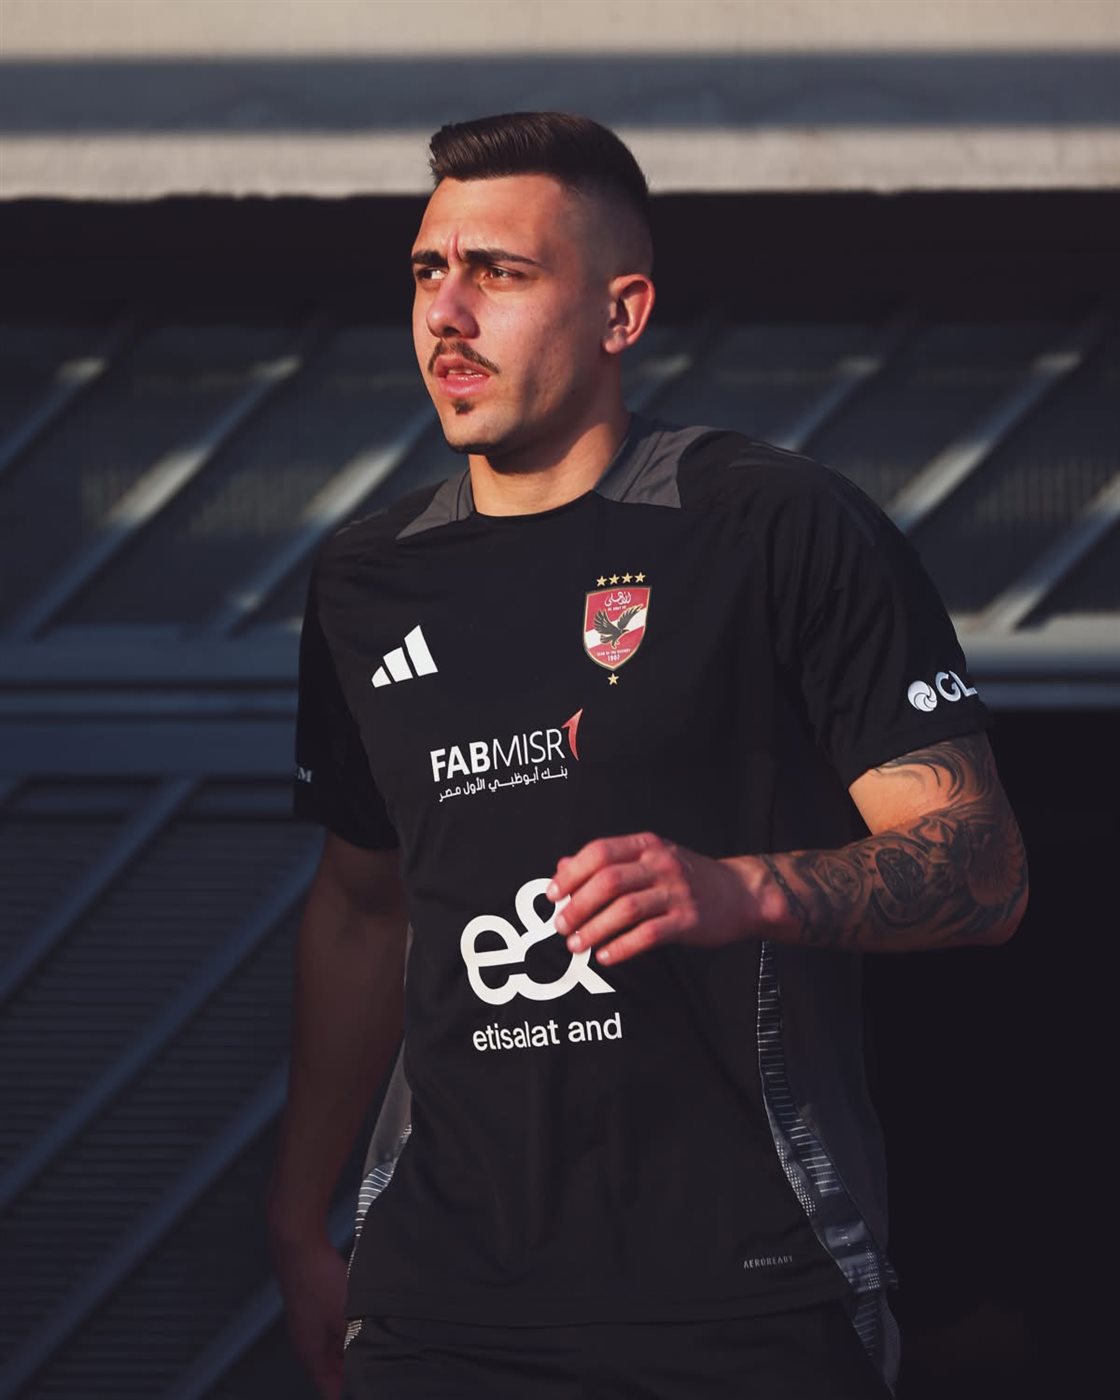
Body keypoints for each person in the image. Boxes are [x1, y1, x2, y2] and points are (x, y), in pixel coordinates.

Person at [269, 112, 1028, 1400]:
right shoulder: (363, 579)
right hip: (437, 1305)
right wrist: (298, 1220)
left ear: (620, 314)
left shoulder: (773, 523)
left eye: (500, 272)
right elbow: (360, 908)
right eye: (428, 271)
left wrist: (741, 889)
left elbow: (981, 864)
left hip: (743, 1296)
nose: (446, 313)